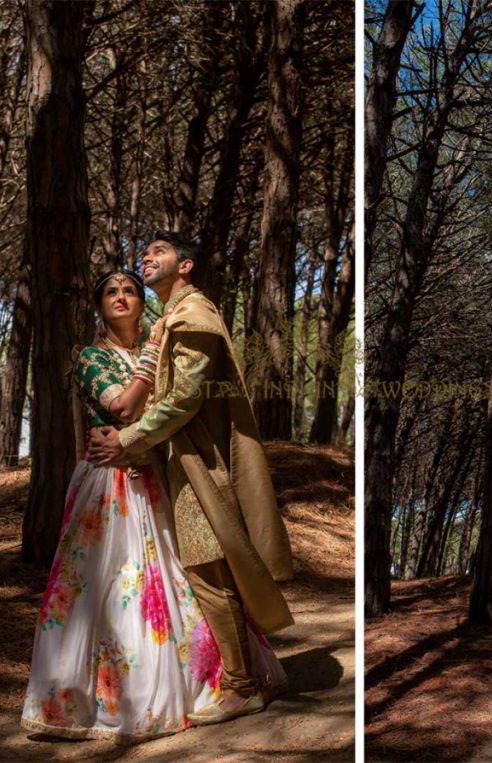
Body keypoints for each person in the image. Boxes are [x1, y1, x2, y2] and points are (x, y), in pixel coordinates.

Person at [20, 269, 285, 743]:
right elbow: (122, 408)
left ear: (143, 303)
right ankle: (112, 699)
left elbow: (181, 403)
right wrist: (147, 363)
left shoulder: (165, 345)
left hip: (158, 475)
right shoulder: (89, 358)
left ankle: (218, 682)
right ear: (98, 305)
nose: (121, 297)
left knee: (180, 576)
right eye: (110, 292)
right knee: (111, 586)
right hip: (110, 487)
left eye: (129, 290)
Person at [88, 231, 294, 726]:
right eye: (147, 251)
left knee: (210, 570)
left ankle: (243, 685)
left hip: (203, 464)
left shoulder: (193, 314)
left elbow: (185, 398)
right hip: (185, 461)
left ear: (186, 266)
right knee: (213, 571)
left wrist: (128, 439)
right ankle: (246, 680)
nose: (147, 257)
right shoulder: (172, 320)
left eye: (159, 251)